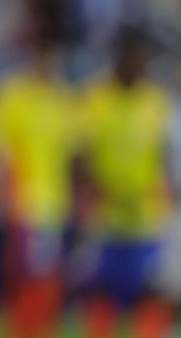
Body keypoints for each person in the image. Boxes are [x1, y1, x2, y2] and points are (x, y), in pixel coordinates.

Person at [0, 7, 77, 338]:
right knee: (30, 282)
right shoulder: (10, 95)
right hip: (24, 205)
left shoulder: (62, 98)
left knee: (40, 282)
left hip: (54, 206)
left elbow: (75, 154)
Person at [77, 30, 174, 338]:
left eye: (138, 59)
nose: (133, 65)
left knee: (150, 293)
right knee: (100, 292)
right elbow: (81, 155)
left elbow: (166, 157)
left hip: (147, 217)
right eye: (127, 58)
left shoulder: (156, 103)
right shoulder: (96, 100)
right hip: (105, 217)